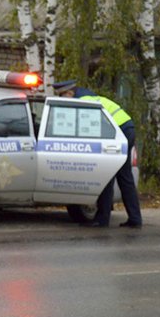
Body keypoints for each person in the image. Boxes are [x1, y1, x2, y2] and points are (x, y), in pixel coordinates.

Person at [53, 80, 142, 229]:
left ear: (69, 93)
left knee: (108, 175)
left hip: (120, 131)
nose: (62, 100)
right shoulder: (86, 96)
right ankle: (134, 219)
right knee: (124, 176)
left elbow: (89, 128)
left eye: (62, 96)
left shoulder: (83, 102)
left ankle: (103, 219)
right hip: (126, 128)